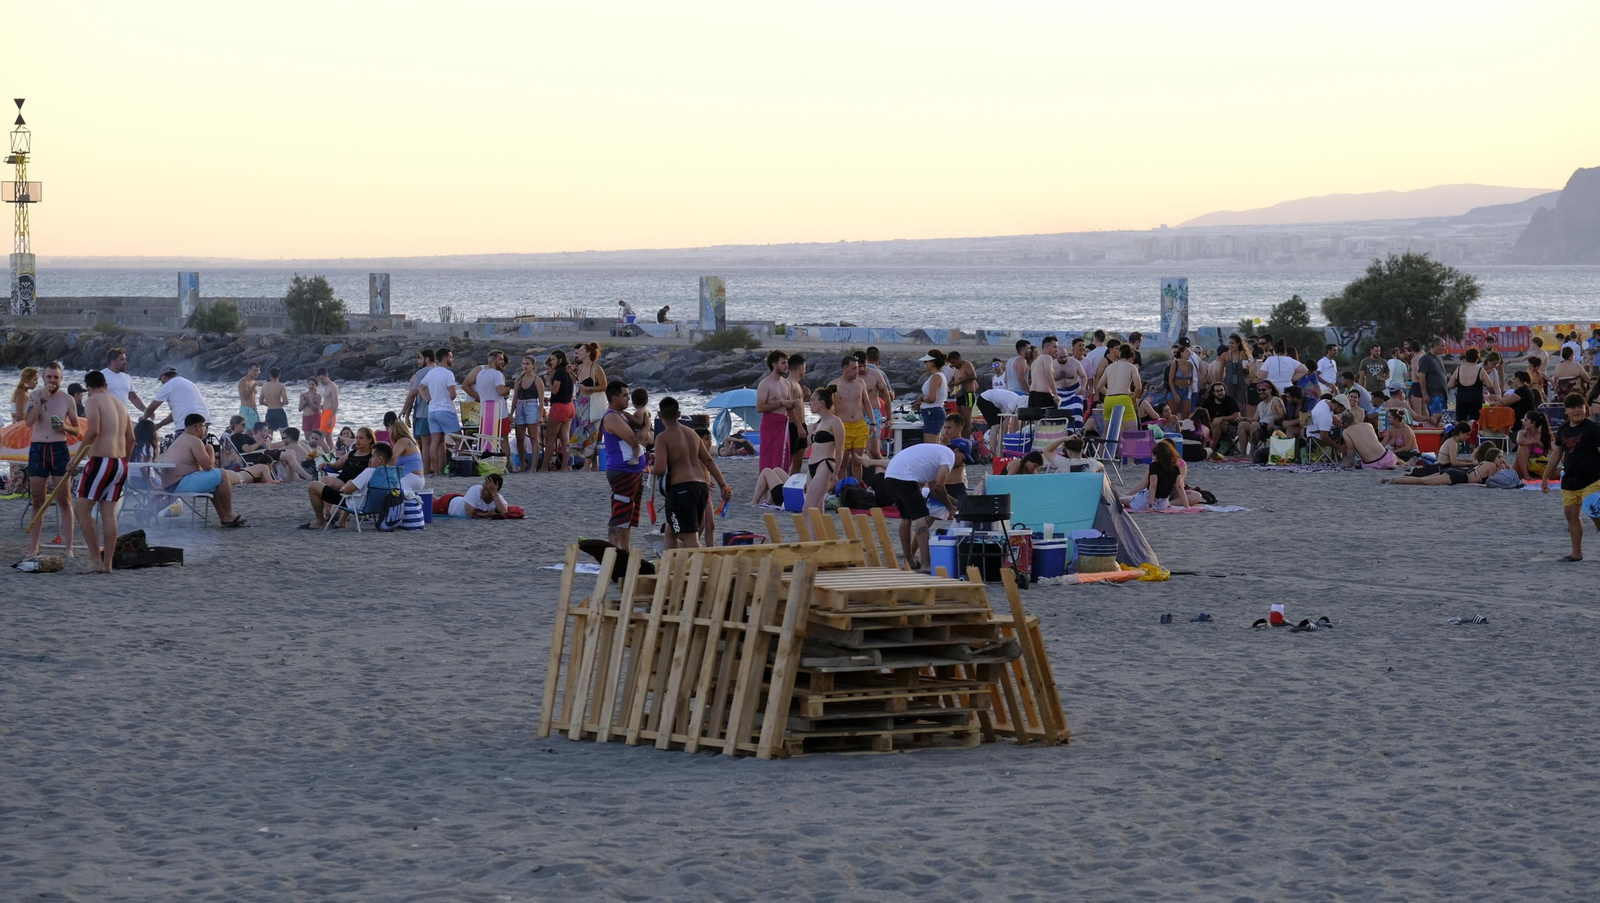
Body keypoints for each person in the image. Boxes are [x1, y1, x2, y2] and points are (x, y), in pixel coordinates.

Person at [72, 370, 136, 572]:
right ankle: (107, 563)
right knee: (108, 513)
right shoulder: (119, 403)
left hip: (101, 461)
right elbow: (131, 438)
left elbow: (93, 431)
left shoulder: (93, 400)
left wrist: (75, 460)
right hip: (120, 462)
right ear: (106, 385)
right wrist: (124, 460)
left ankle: (94, 560)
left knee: (82, 510)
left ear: (89, 388)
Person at [651, 396, 732, 550]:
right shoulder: (692, 434)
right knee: (671, 530)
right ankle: (672, 568)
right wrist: (723, 485)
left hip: (681, 490)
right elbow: (708, 461)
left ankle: (705, 570)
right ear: (679, 414)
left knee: (689, 539)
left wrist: (650, 470)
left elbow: (660, 469)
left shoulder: (662, 438)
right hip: (701, 488)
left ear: (660, 415)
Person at [23, 362, 83, 557]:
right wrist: (42, 401)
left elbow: (76, 428)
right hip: (38, 448)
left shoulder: (67, 400)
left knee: (64, 499)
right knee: (37, 499)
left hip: (59, 448)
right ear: (44, 378)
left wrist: (64, 427)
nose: (52, 381)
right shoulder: (34, 396)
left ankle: (69, 547)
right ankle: (34, 547)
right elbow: (29, 422)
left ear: (61, 379)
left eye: (56, 377)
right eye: (49, 377)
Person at [876, 441, 956, 571]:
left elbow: (934, 490)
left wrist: (954, 502)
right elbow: (940, 487)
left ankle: (909, 562)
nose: (962, 463)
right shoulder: (949, 456)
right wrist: (950, 507)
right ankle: (926, 564)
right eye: (964, 458)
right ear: (957, 451)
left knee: (906, 518)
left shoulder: (935, 454)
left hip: (891, 475)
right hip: (905, 477)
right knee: (922, 517)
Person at [158, 413, 246, 528]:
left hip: (171, 484)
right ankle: (228, 514)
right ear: (198, 427)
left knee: (214, 481)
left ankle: (224, 517)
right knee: (223, 474)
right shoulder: (194, 440)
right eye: (205, 426)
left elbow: (198, 468)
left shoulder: (179, 440)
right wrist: (210, 451)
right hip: (180, 483)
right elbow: (208, 466)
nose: (205, 430)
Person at [1542, 394, 1600, 561]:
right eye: (1573, 407)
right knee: (1571, 515)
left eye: (1580, 407)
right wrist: (1545, 478)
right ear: (1566, 411)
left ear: (1585, 408)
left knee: (1596, 514)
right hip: (1569, 480)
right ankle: (1576, 553)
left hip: (1593, 478)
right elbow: (1556, 454)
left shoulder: (1593, 428)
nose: (1577, 410)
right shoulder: (1563, 429)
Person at [305, 440, 399, 529]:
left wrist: (344, 487)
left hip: (355, 504)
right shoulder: (392, 473)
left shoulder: (369, 472)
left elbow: (347, 491)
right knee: (351, 482)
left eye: (372, 456)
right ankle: (342, 521)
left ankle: (320, 521)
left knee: (313, 486)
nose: (370, 459)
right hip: (376, 506)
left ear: (380, 459)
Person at [601, 381, 649, 549]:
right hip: (623, 470)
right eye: (625, 395)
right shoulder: (612, 416)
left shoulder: (621, 415)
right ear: (614, 398)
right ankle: (613, 552)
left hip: (632, 471)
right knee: (619, 513)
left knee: (628, 515)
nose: (629, 398)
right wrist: (648, 426)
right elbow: (635, 440)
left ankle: (625, 551)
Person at [1124, 438, 1201, 510]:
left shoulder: (1178, 464)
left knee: (1196, 496)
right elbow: (1145, 483)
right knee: (1128, 498)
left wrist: (1150, 505)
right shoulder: (1167, 466)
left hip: (1170, 492)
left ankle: (1168, 504)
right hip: (1161, 497)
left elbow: (1177, 484)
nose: (1152, 457)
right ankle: (1164, 504)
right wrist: (1187, 506)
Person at [802, 387, 844, 513]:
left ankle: (810, 533)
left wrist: (835, 474)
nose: (810, 403)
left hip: (825, 464)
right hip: (811, 466)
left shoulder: (835, 421)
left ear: (822, 402)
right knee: (818, 511)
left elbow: (840, 449)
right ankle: (819, 533)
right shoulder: (819, 423)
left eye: (812, 400)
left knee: (808, 510)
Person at [418, 347, 459, 476]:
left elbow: (421, 387)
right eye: (451, 357)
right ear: (446, 358)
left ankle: (436, 471)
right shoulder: (448, 374)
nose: (452, 359)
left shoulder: (431, 373)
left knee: (435, 442)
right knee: (459, 438)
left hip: (432, 411)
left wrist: (427, 399)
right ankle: (459, 466)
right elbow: (452, 394)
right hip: (445, 409)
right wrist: (448, 397)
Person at [756, 349, 796, 476]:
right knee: (768, 456)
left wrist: (799, 426)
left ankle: (780, 483)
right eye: (783, 363)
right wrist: (780, 404)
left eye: (787, 363)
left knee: (784, 456)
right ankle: (767, 483)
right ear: (774, 365)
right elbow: (760, 407)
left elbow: (789, 406)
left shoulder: (786, 383)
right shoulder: (765, 384)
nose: (786, 366)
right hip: (770, 424)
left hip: (784, 424)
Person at [144, 365, 210, 435]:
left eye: (161, 380)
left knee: (180, 445)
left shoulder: (168, 385)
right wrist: (159, 425)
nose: (162, 383)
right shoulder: (189, 383)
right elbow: (175, 414)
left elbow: (151, 409)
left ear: (163, 376)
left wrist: (143, 419)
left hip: (188, 425)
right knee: (199, 445)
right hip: (204, 423)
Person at [573, 342, 608, 471]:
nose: (578, 353)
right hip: (581, 401)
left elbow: (604, 386)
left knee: (591, 434)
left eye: (581, 351)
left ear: (588, 353)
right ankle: (593, 465)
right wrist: (571, 373)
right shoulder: (580, 368)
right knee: (584, 432)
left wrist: (589, 388)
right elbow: (578, 383)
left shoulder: (596, 369)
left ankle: (587, 465)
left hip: (593, 401)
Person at [400, 349, 437, 468]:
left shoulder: (420, 374)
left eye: (420, 359)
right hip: (438, 411)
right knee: (438, 443)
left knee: (424, 443)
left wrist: (404, 412)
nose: (418, 362)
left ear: (427, 359)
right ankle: (437, 470)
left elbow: (412, 395)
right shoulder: (442, 371)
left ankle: (425, 470)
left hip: (423, 413)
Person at [512, 354, 546, 473]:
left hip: (532, 405)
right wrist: (511, 413)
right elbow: (515, 398)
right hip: (520, 406)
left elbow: (541, 399)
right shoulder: (519, 380)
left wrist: (540, 415)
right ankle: (522, 463)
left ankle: (533, 466)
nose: (525, 366)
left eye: (528, 364)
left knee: (533, 437)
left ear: (533, 366)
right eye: (524, 364)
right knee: (519, 438)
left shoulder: (537, 380)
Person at [1096, 344, 1141, 427]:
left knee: (1106, 433)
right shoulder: (1132, 367)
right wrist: (1134, 398)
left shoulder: (1109, 367)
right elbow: (1138, 387)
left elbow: (1099, 386)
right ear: (1131, 358)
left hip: (1108, 399)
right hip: (1123, 399)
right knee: (1132, 432)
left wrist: (1111, 394)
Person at [545, 350, 576, 472]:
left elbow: (555, 390)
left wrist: (548, 380)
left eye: (553, 359)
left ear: (560, 360)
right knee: (565, 439)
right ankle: (564, 466)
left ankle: (544, 467)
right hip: (569, 406)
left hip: (559, 407)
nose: (551, 362)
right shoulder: (568, 372)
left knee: (550, 439)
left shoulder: (559, 373)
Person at [861, 346, 893, 457]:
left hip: (873, 413)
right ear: (878, 359)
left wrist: (889, 418)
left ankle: (882, 472)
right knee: (860, 451)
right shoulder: (852, 375)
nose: (861, 369)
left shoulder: (877, 374)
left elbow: (887, 396)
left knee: (873, 450)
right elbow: (891, 395)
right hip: (856, 414)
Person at [96, 346, 148, 413]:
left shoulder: (127, 377)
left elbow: (133, 397)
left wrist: (146, 411)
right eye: (122, 360)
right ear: (113, 361)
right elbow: (93, 397)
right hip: (106, 416)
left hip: (123, 416)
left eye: (125, 359)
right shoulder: (101, 376)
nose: (125, 362)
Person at [786, 353, 811, 474]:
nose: (805, 370)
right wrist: (799, 426)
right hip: (793, 425)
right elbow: (789, 408)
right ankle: (784, 484)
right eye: (805, 367)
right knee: (789, 460)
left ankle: (792, 484)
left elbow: (798, 406)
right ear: (801, 367)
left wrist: (805, 397)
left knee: (799, 461)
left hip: (801, 423)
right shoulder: (789, 383)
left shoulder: (798, 384)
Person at [915, 350, 949, 438]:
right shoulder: (939, 375)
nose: (925, 364)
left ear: (933, 363)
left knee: (930, 444)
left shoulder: (936, 377)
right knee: (934, 443)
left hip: (932, 412)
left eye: (926, 362)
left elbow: (932, 398)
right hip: (933, 411)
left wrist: (921, 399)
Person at [1201, 382, 1243, 453]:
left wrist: (1221, 418)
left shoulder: (1230, 400)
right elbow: (1200, 413)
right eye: (1217, 391)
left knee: (1219, 423)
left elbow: (1237, 415)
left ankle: (1209, 451)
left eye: (1222, 390)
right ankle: (1199, 449)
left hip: (1231, 428)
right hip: (1210, 426)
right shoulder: (1208, 401)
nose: (1220, 392)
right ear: (1213, 393)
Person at [387, 418, 426, 493]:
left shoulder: (403, 440)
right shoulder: (412, 443)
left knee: (392, 492)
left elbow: (392, 457)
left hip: (411, 477)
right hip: (418, 478)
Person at [946, 351, 979, 438]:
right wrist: (952, 383)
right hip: (959, 395)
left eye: (953, 362)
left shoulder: (967, 364)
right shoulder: (956, 369)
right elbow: (954, 380)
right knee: (959, 420)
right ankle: (960, 438)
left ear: (958, 359)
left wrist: (960, 380)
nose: (953, 365)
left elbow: (973, 376)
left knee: (966, 420)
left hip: (968, 395)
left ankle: (966, 440)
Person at [1414, 339, 1449, 417]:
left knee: (1443, 419)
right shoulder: (1426, 358)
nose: (1444, 348)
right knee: (1436, 418)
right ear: (1436, 346)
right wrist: (1425, 394)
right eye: (1442, 346)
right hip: (1434, 395)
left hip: (1442, 394)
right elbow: (1422, 377)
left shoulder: (1438, 359)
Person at [1514, 411, 1552, 480]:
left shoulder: (1542, 436)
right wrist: (1536, 441)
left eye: (1526, 420)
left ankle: (1532, 475)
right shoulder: (1522, 433)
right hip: (1521, 466)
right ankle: (1526, 476)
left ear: (1533, 423)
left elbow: (1544, 454)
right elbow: (1520, 441)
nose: (1523, 422)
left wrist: (1534, 448)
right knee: (1522, 447)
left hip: (1536, 465)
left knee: (1556, 473)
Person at [1166, 345, 1199, 418]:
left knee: (1186, 414)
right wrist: (1175, 394)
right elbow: (1170, 380)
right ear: (1181, 353)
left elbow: (1192, 378)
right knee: (1173, 414)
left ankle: (1184, 428)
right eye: (1187, 352)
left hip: (1186, 390)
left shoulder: (1190, 365)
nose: (1189, 353)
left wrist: (1191, 387)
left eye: (1189, 352)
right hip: (1175, 389)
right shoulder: (1175, 364)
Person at [1027, 337, 1059, 410]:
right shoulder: (1047, 358)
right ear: (1047, 347)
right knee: (1050, 420)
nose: (1056, 350)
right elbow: (1048, 375)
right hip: (1043, 395)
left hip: (1032, 396)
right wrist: (1055, 394)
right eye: (1054, 347)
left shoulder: (1034, 362)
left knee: (1037, 421)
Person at [315, 368, 340, 434]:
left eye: (322, 379)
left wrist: (331, 418)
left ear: (327, 375)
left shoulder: (332, 387)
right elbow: (329, 401)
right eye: (319, 379)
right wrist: (322, 406)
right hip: (325, 413)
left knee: (320, 438)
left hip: (329, 414)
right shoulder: (327, 386)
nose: (321, 381)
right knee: (328, 438)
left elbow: (336, 403)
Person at [236, 364, 262, 429]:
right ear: (249, 370)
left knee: (257, 431)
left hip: (253, 410)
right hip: (246, 410)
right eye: (254, 370)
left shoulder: (252, 381)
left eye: (258, 371)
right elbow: (245, 396)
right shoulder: (244, 381)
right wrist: (254, 385)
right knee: (252, 432)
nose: (256, 373)